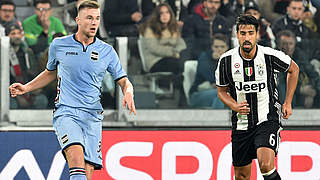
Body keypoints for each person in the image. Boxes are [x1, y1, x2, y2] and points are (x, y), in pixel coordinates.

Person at [9, 1, 136, 180]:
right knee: (76, 161)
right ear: (78, 20)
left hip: (92, 117)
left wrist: (128, 91)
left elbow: (123, 80)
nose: (94, 23)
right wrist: (27, 87)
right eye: (89, 18)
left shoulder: (107, 51)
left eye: (97, 18)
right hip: (67, 112)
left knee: (86, 172)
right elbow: (50, 72)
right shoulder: (59, 45)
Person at [215, 14, 299, 180]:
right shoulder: (226, 61)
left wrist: (287, 102)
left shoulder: (269, 55)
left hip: (267, 118)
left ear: (257, 34)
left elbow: (294, 69)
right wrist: (233, 105)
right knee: (241, 176)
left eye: (250, 33)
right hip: (241, 124)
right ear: (237, 35)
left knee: (266, 165)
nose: (247, 38)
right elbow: (221, 91)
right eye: (243, 33)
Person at [7, 22, 48, 109]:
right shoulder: (3, 53)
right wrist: (17, 96)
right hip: (10, 92)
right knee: (11, 104)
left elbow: (33, 72)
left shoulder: (28, 52)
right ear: (7, 36)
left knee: (42, 100)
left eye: (19, 33)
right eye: (13, 34)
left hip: (27, 88)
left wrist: (33, 88)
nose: (17, 36)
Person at [276, 30, 319, 108]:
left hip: (303, 88)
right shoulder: (274, 57)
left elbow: (313, 74)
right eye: (284, 44)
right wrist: (300, 90)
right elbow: (283, 82)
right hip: (288, 93)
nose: (288, 47)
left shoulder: (299, 55)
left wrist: (313, 91)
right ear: (279, 45)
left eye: (291, 44)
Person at [189, 33, 227, 109]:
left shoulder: (230, 59)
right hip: (197, 94)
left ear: (227, 48)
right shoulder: (204, 58)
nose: (219, 49)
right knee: (222, 94)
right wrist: (218, 61)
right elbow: (212, 78)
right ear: (212, 47)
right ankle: (218, 119)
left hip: (217, 92)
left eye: (222, 47)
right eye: (216, 47)